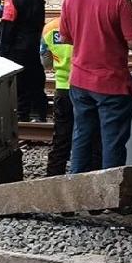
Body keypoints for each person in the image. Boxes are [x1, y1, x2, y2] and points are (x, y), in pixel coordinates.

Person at [59, 0, 132, 173]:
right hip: (112, 84)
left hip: (78, 81)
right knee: (112, 143)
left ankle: (77, 193)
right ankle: (110, 200)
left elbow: (65, 37)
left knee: (82, 138)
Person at [41, 17, 102, 176]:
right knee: (94, 137)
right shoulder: (88, 23)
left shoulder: (49, 28)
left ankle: (53, 179)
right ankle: (94, 176)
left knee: (61, 139)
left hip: (63, 89)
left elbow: (45, 62)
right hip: (87, 88)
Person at [0, 0, 48, 122]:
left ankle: (22, 117)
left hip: (16, 51)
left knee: (20, 87)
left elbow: (8, 27)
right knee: (35, 82)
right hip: (33, 48)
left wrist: (1, 52)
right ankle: (40, 114)